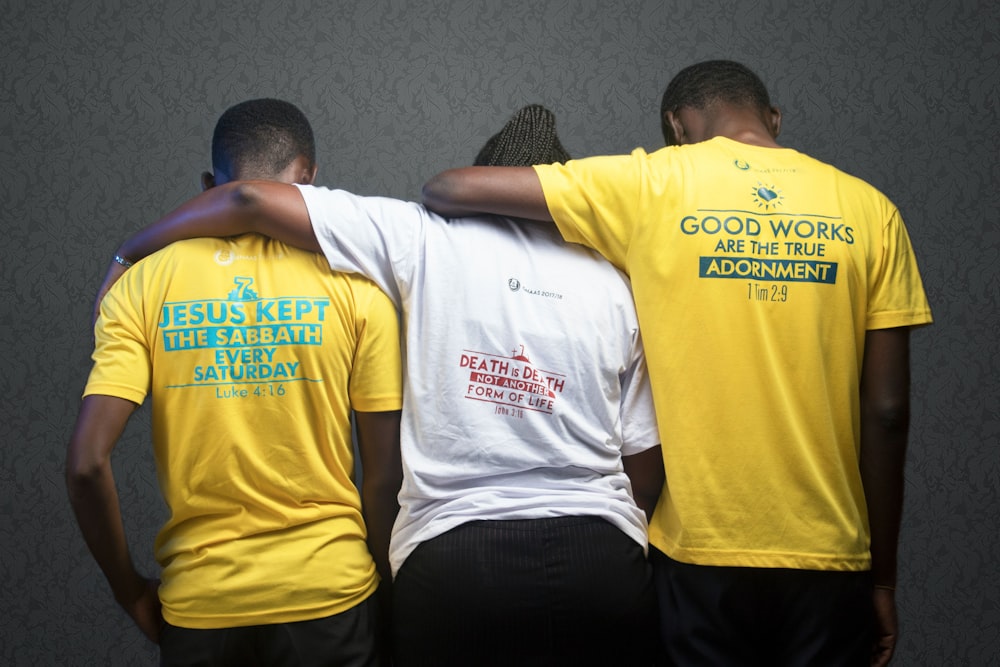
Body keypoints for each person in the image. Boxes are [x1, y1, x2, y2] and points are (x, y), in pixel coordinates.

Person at [93, 104, 665, 666]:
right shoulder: (615, 282)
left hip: (447, 561)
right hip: (596, 561)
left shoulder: (423, 238)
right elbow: (643, 463)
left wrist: (129, 252)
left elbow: (247, 198)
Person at [421, 61, 934, 667]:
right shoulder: (873, 210)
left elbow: (451, 188)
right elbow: (888, 410)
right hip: (830, 555)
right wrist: (882, 582)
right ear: (772, 118)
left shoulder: (652, 183)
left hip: (694, 555)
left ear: (676, 127)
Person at [67, 98, 403, 667]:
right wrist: (385, 595)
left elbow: (85, 463)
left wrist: (129, 592)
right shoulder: (359, 288)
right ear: (311, 177)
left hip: (202, 605)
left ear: (208, 184)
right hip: (330, 593)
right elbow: (383, 476)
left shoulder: (141, 285)